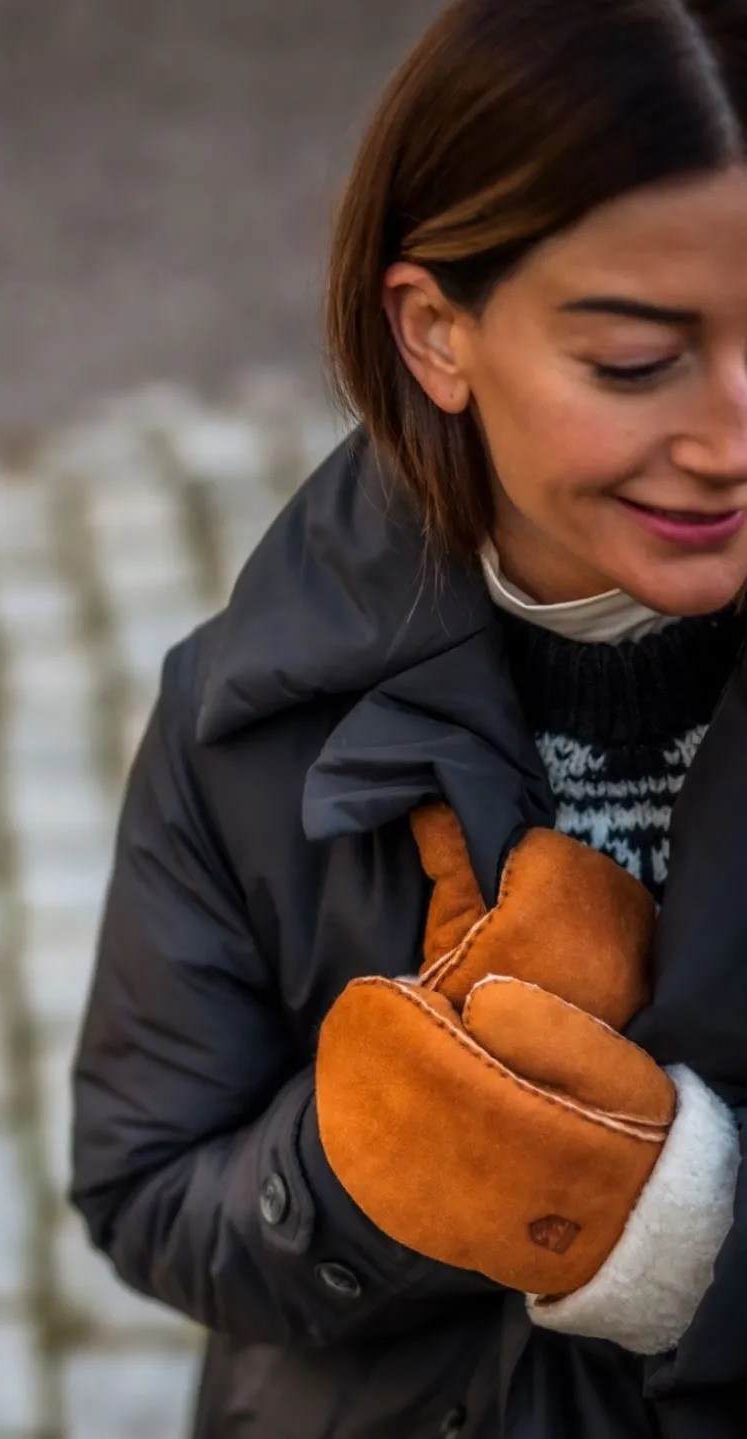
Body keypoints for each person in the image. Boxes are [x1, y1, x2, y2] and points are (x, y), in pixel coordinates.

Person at [70, 2, 747, 1434]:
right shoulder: (252, 710)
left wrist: (686, 1242)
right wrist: (377, 1161)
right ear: (436, 331)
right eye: (634, 362)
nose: (728, 439)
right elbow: (143, 1186)